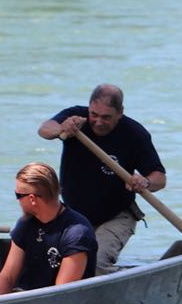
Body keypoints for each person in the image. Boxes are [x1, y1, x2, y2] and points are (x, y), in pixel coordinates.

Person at [37, 84, 166, 272]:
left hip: (116, 216)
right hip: (74, 216)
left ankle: (121, 285)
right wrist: (62, 129)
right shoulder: (76, 118)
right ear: (89, 107)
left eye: (106, 117)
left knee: (95, 263)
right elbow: (45, 129)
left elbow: (160, 178)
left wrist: (144, 181)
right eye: (94, 115)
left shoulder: (135, 134)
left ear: (120, 113)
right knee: (54, 264)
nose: (98, 122)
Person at [0, 162, 97, 294]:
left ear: (32, 199)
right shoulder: (25, 224)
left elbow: (62, 293)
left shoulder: (77, 234)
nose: (17, 201)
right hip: (26, 299)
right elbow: (8, 277)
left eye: (18, 196)